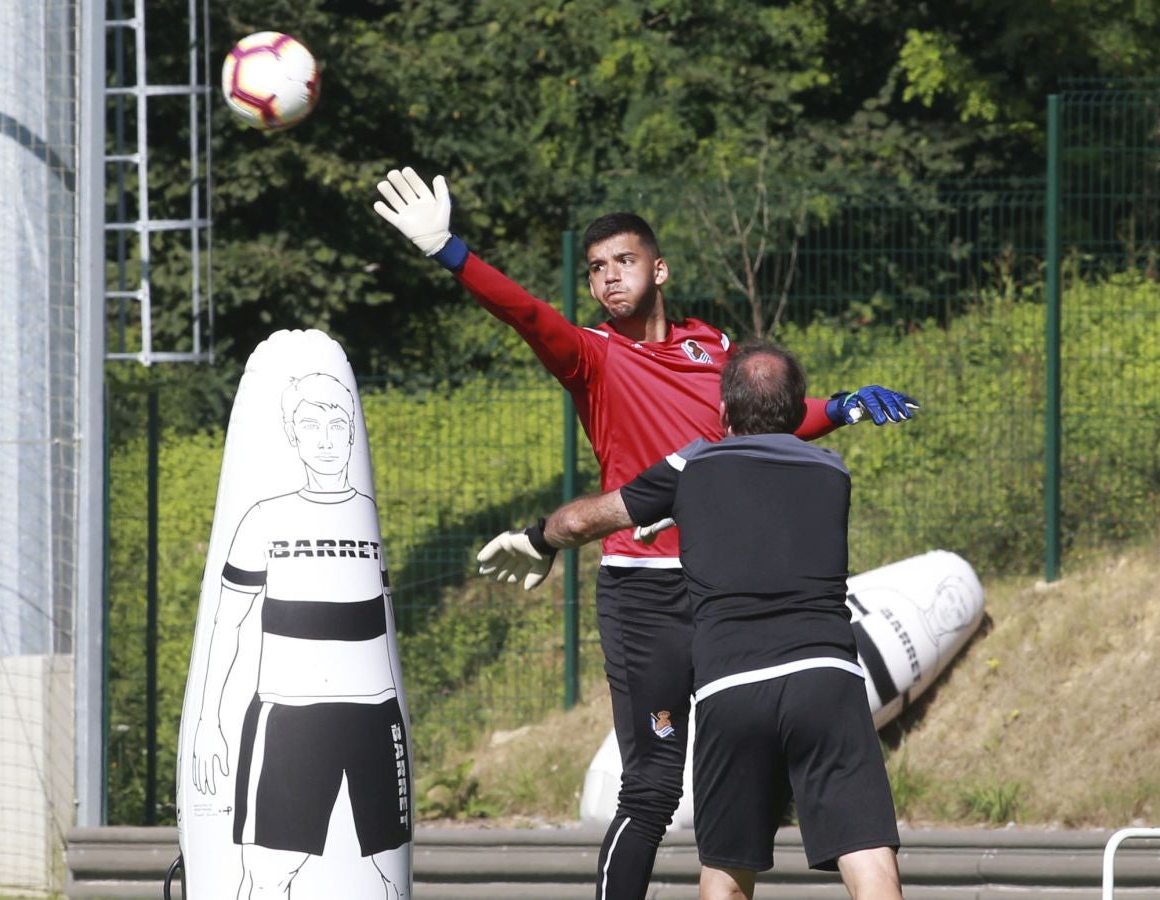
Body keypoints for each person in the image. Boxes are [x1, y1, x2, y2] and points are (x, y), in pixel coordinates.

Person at [373, 167, 915, 900]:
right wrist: (452, 252)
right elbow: (529, 315)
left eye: (622, 262)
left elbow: (767, 417)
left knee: (753, 782)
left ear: (658, 269)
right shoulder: (593, 356)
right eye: (595, 269)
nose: (607, 279)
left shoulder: (710, 346)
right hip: (645, 594)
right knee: (655, 787)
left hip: (725, 595)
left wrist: (843, 406)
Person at [479, 339, 904, 900]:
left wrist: (536, 537)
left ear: (723, 412)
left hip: (732, 688)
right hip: (826, 679)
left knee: (725, 875)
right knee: (869, 858)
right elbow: (767, 514)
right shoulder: (831, 467)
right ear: (799, 413)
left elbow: (586, 521)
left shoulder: (692, 465)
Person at [190, 373, 410, 900]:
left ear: (354, 432)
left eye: (339, 423)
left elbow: (380, 629)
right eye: (312, 425)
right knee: (267, 878)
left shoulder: (367, 516)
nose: (328, 439)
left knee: (387, 878)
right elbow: (228, 622)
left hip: (376, 719)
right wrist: (207, 722)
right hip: (290, 716)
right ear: (293, 435)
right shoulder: (265, 519)